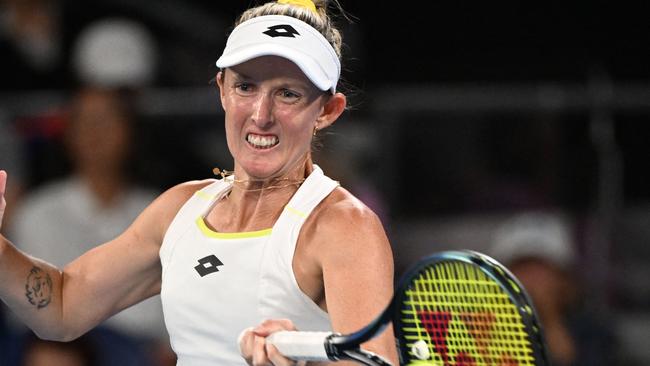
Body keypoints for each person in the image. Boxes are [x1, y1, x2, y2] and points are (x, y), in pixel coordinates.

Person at [0, 1, 398, 365]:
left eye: (288, 94)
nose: (261, 115)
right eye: (246, 86)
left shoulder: (344, 227)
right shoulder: (179, 209)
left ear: (327, 110)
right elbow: (63, 308)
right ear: (222, 89)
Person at [489, 211, 615, 366]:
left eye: (541, 268)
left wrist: (549, 319)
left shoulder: (593, 332)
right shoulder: (484, 327)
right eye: (522, 267)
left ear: (563, 278)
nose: (531, 279)